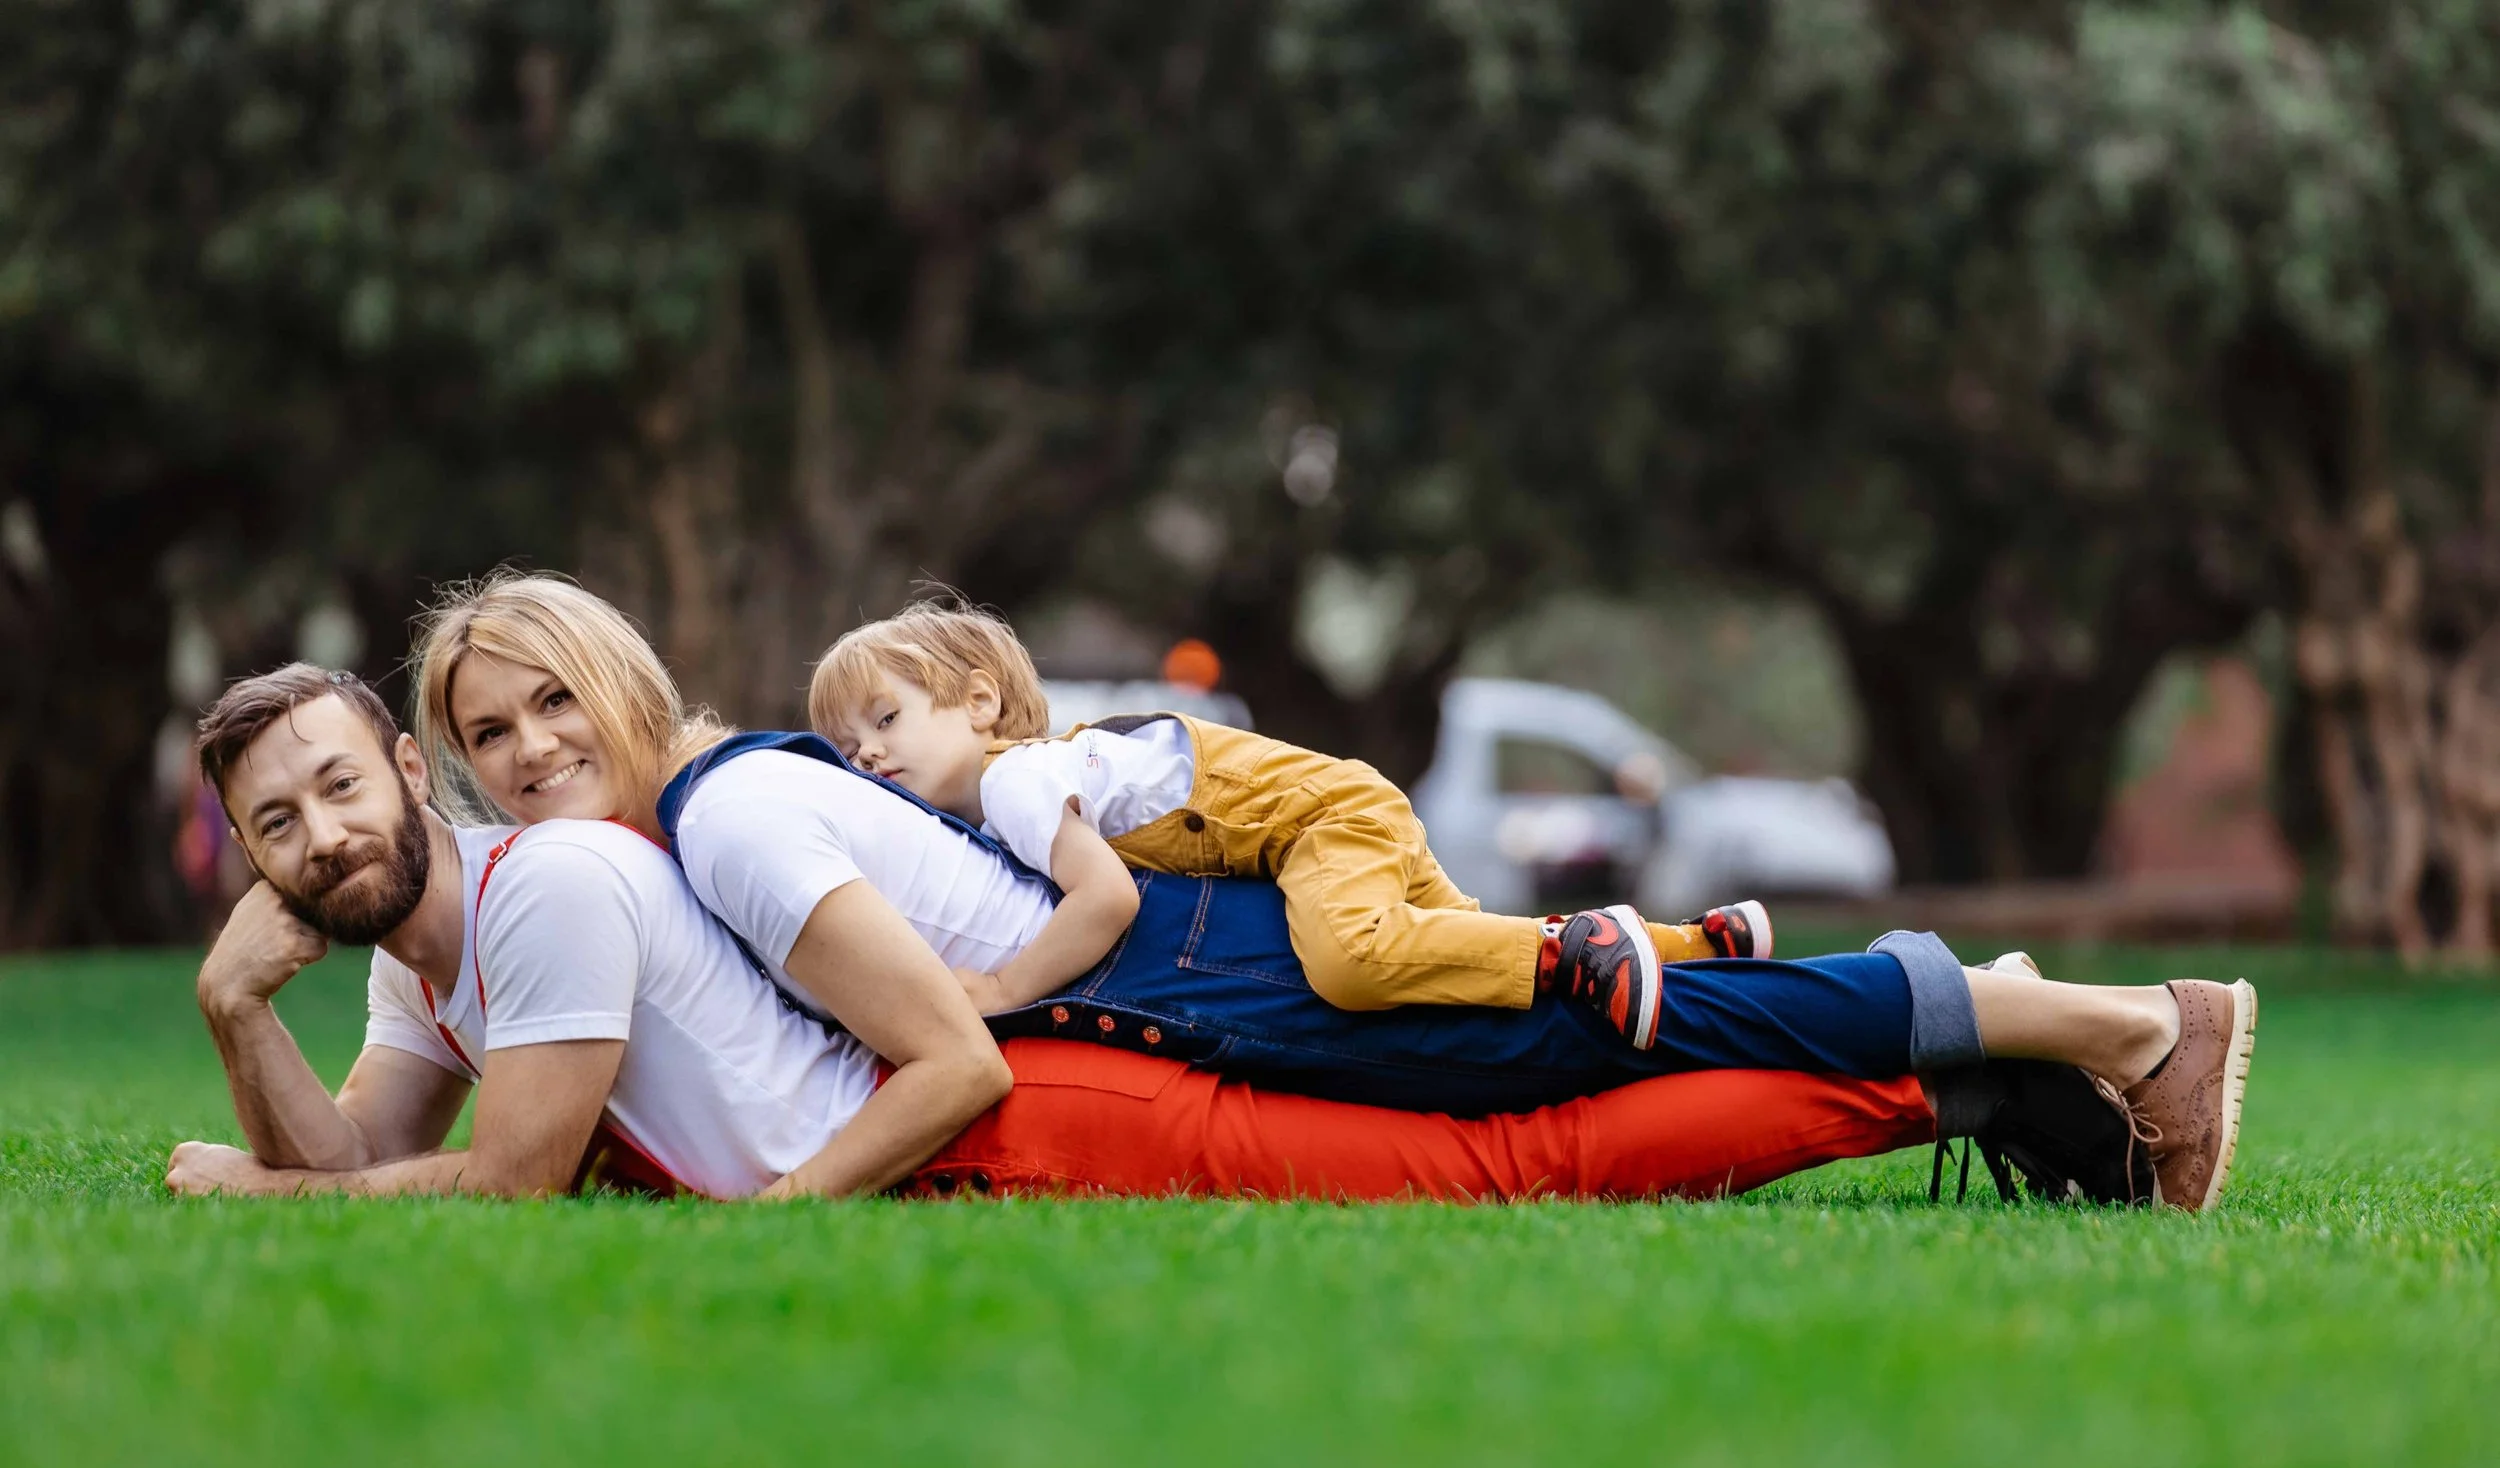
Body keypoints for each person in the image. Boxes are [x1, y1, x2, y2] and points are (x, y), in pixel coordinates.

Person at [405, 572, 2250, 1210]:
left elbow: (954, 1032)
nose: (530, 744)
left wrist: (817, 1174)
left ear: (628, 678)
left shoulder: (724, 819)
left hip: (1222, 973)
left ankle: (2106, 1019)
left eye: (553, 694)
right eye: (490, 727)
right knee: (1584, 1054)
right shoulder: (716, 809)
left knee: (1589, 1052)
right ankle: (2014, 1008)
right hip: (1208, 964)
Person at [169, 660, 1947, 1205]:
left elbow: (503, 1183)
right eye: (276, 821)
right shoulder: (447, 945)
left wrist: (256, 1195)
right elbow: (372, 1178)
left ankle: (1944, 1050)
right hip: (1024, 1098)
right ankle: (1953, 1043)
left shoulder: (551, 880)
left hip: (1040, 1103)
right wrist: (246, 1020)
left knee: (1520, 1141)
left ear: (404, 771)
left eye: (338, 785)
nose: (319, 835)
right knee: (1518, 1123)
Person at [809, 598, 1772, 1050]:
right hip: (1337, 805)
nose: (871, 758)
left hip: (1316, 822)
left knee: (1352, 963)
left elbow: (1101, 900)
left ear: (980, 704)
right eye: (851, 751)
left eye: (886, 720)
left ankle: (1574, 942)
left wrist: (1005, 985)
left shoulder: (1020, 783)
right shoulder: (1033, 782)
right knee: (1464, 964)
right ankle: (1700, 949)